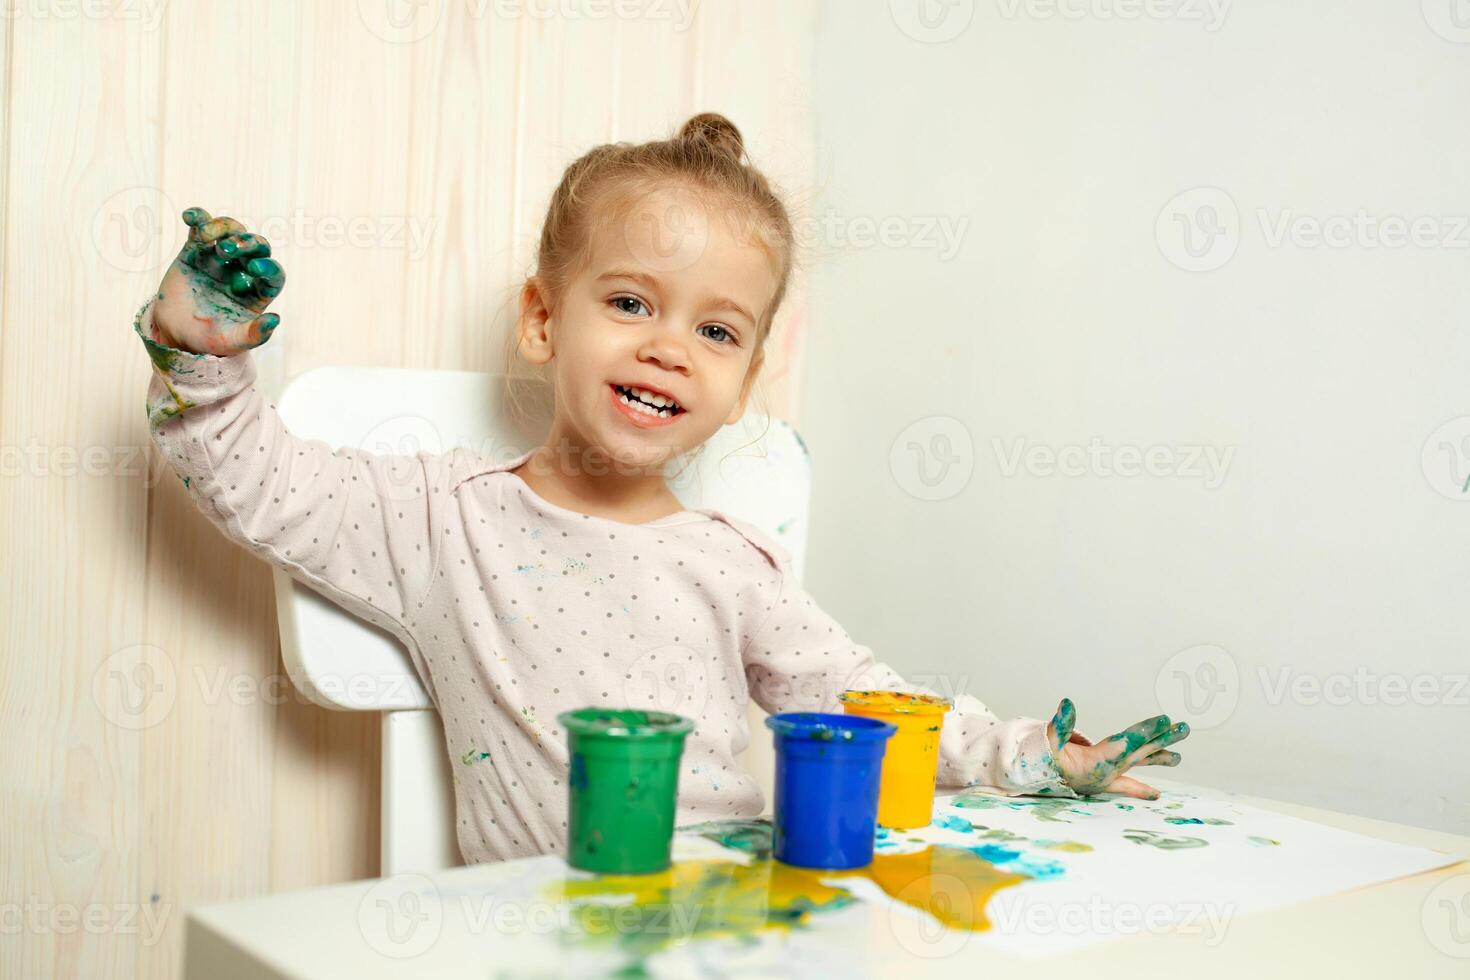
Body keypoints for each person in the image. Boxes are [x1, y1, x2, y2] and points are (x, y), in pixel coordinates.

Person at [132, 112, 1189, 864]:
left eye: (717, 329)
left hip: (732, 930)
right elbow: (255, 481)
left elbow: (868, 704)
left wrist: (1032, 755)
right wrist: (199, 355)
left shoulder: (733, 560)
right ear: (545, 321)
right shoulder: (442, 520)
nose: (671, 346)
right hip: (543, 936)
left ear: (742, 386)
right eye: (632, 301)